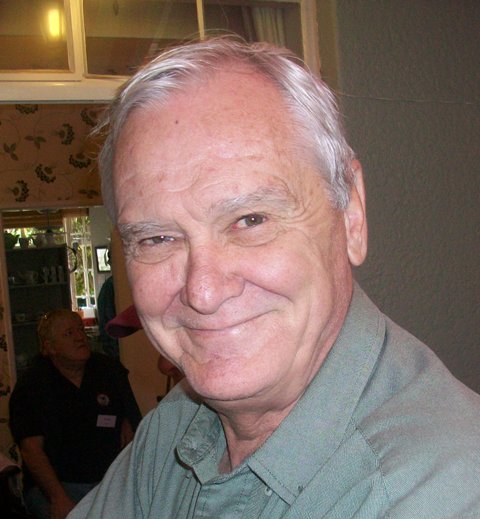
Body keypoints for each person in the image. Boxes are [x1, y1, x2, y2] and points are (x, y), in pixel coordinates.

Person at [68, 37, 480, 518]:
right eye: (157, 238)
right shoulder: (178, 424)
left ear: (351, 214)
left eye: (250, 220)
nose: (203, 292)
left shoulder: (437, 490)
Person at [9, 309, 141, 519]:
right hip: (55, 485)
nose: (80, 337)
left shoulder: (108, 370)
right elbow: (31, 451)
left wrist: (126, 419)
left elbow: (134, 422)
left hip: (108, 481)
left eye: (80, 330)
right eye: (69, 333)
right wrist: (58, 497)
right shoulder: (33, 385)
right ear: (49, 347)